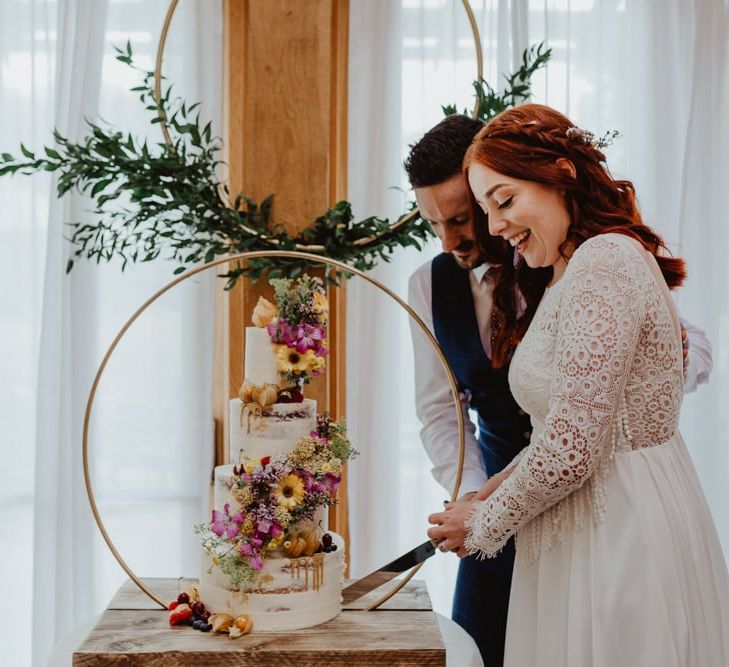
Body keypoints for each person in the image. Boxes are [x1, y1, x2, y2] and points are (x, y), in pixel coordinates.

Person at [426, 104, 729, 666]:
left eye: (505, 201)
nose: (494, 227)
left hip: (620, 531)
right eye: (486, 209)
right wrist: (482, 495)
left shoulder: (605, 260)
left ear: (561, 175)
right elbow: (560, 427)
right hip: (580, 522)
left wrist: (485, 521)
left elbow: (572, 448)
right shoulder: (568, 268)